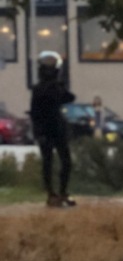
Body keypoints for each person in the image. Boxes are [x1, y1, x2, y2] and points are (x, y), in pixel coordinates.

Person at [29, 51, 75, 208]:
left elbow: (69, 97)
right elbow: (69, 98)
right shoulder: (46, 88)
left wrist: (37, 131)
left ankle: (57, 193)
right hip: (51, 128)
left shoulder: (43, 88)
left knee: (55, 162)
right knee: (57, 162)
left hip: (50, 129)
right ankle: (56, 193)